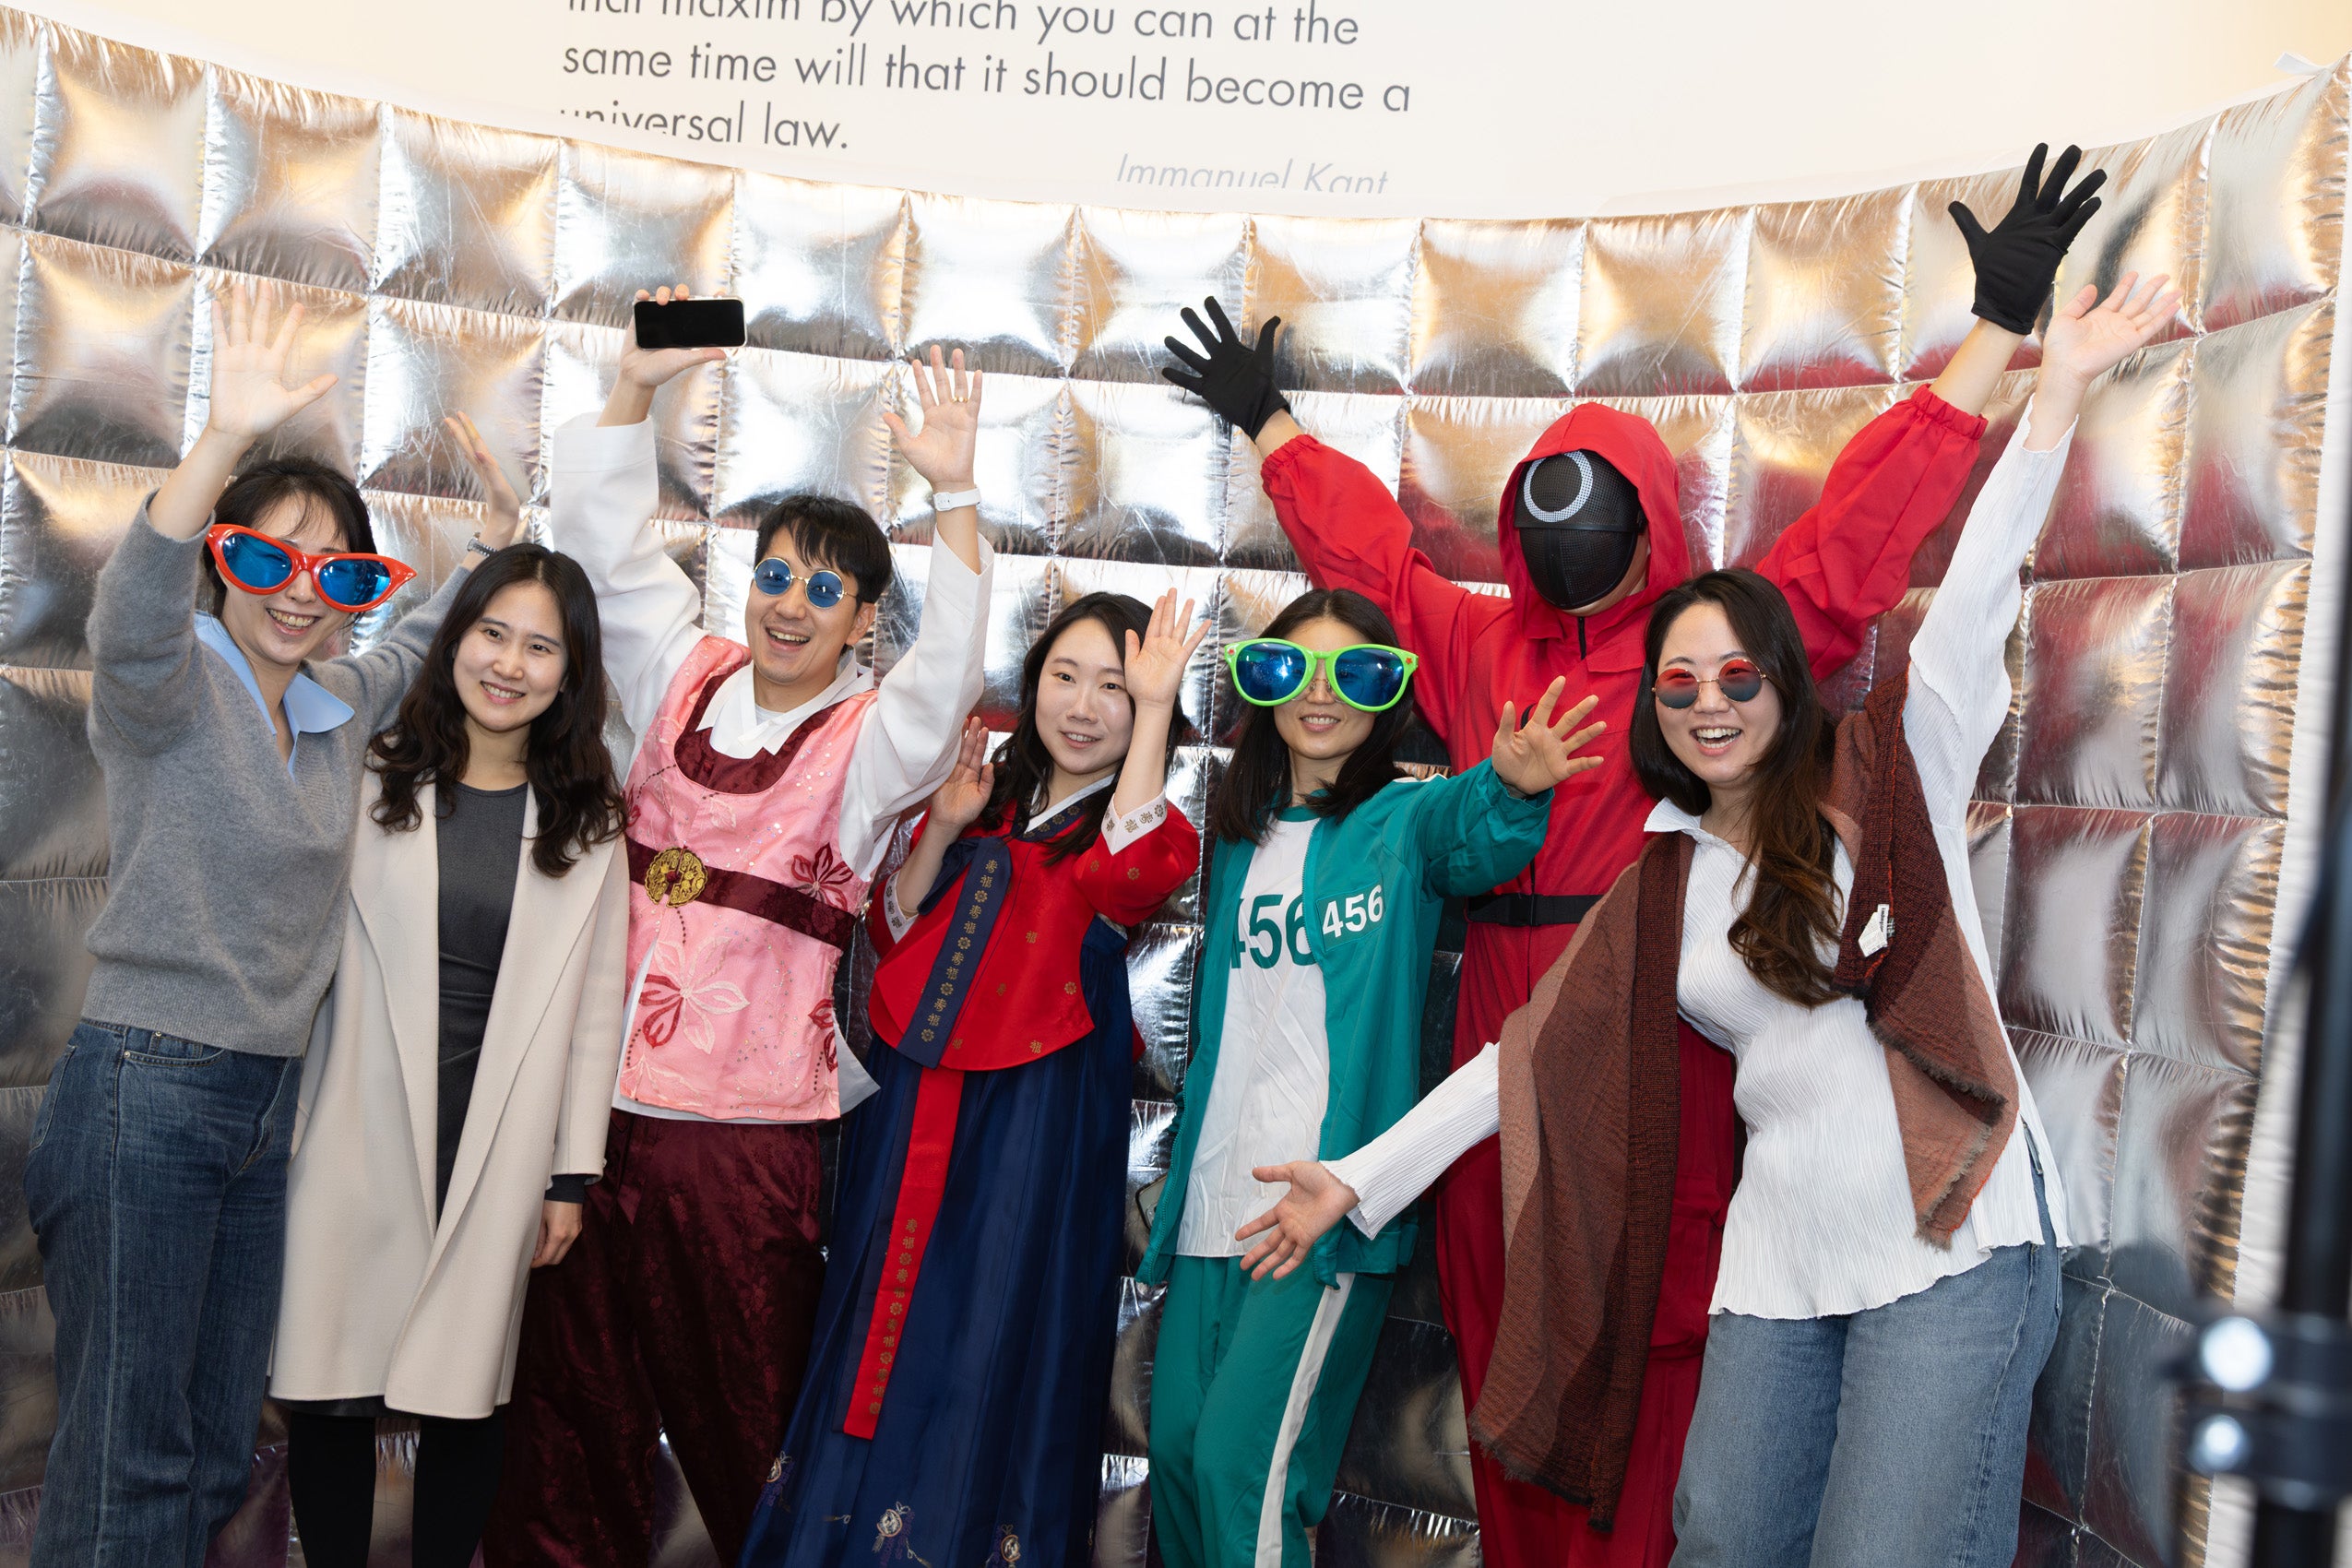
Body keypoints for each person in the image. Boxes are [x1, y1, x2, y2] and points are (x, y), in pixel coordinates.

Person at [1160, 142, 2108, 1565]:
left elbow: (1862, 537)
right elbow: (1370, 579)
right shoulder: (1483, 642)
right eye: (1544, 496)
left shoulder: (1707, 639)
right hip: (1512, 991)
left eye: (1593, 496)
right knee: (1502, 1304)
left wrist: (1997, 335)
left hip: (1676, 1005)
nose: (1709, 703)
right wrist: (1271, 429)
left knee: (1659, 1317)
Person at [483, 290, 996, 1568]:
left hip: (751, 1140)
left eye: (822, 591)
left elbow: (948, 686)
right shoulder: (683, 669)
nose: (788, 605)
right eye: (773, 575)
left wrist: (954, 497)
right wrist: (631, 390)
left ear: (861, 618)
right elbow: (604, 550)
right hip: (595, 1116)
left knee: (750, 1415)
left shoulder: (874, 744)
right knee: (568, 1409)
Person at [24, 288, 522, 1568]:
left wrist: (498, 537)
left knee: (205, 1445)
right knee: (124, 1453)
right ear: (220, 559)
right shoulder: (167, 687)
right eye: (264, 560)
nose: (299, 597)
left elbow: (424, 640)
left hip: (268, 1109)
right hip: (147, 1089)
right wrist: (221, 442)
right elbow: (130, 605)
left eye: (334, 572)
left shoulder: (341, 708)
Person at [1134, 588, 1607, 1568]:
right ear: (1260, 687)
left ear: (1387, 694)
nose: (1321, 695)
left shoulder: (1403, 818)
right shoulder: (1238, 832)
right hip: (1213, 1199)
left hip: (1318, 1210)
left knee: (1242, 1471)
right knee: (1179, 1456)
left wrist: (1513, 787)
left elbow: (1476, 832)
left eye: (1355, 672)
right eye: (1290, 669)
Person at [741, 588, 1206, 1568]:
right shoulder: (984, 797)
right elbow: (897, 936)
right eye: (1064, 677)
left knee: (990, 1322)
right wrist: (946, 830)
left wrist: (1159, 709)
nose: (1083, 706)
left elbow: (1127, 875)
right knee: (878, 1313)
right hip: (913, 1105)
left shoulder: (1136, 827)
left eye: (1116, 689)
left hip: (1032, 1119)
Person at [270, 465, 633, 1568]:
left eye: (540, 647)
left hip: (498, 1137)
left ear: (570, 673)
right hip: (356, 1117)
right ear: (457, 635)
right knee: (330, 1384)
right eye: (493, 632)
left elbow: (594, 1007)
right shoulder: (370, 771)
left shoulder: (590, 816)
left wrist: (571, 1172)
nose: (509, 664)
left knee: (466, 1396)